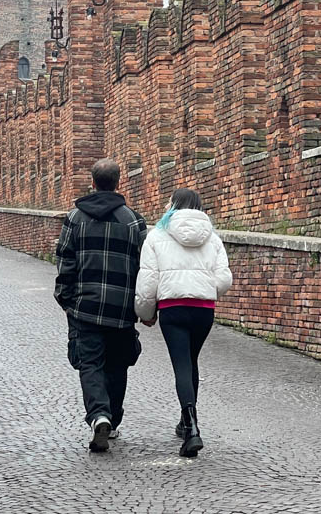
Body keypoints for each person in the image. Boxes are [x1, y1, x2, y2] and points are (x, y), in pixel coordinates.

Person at [55, 158, 147, 453]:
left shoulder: (75, 218)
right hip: (121, 308)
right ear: (119, 182)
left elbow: (65, 260)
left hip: (86, 307)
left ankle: (99, 415)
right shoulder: (133, 220)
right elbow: (142, 265)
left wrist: (66, 298)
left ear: (92, 183)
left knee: (90, 364)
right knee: (118, 364)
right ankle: (113, 420)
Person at [135, 187, 232, 458]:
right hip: (203, 309)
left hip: (172, 308)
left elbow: (148, 280)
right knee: (191, 361)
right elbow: (224, 278)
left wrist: (145, 312)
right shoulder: (212, 237)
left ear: (173, 205)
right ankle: (185, 421)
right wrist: (206, 289)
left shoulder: (157, 235)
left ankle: (191, 428)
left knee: (181, 364)